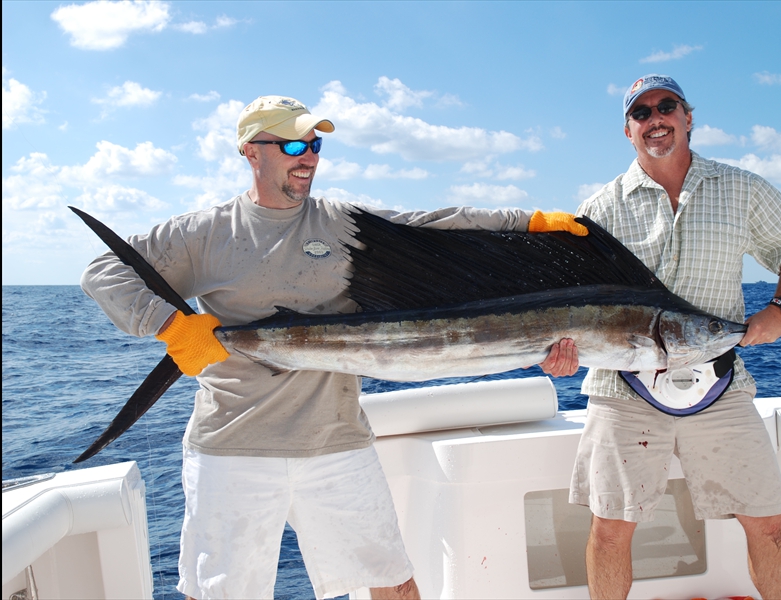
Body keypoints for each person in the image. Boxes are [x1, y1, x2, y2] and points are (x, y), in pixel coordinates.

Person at [80, 95, 588, 600]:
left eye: (316, 144)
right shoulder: (204, 234)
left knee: (394, 583)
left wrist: (529, 223)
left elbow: (432, 223)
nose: (309, 157)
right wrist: (170, 325)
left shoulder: (339, 223)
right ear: (251, 152)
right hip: (232, 448)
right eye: (294, 144)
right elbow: (103, 271)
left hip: (337, 442)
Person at [564, 75, 781, 599]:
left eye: (667, 106)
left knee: (770, 522)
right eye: (642, 112)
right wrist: (562, 350)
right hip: (622, 388)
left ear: (688, 117)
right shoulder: (600, 208)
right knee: (610, 529)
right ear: (628, 130)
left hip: (721, 383)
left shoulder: (740, 187)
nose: (655, 118)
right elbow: (570, 301)